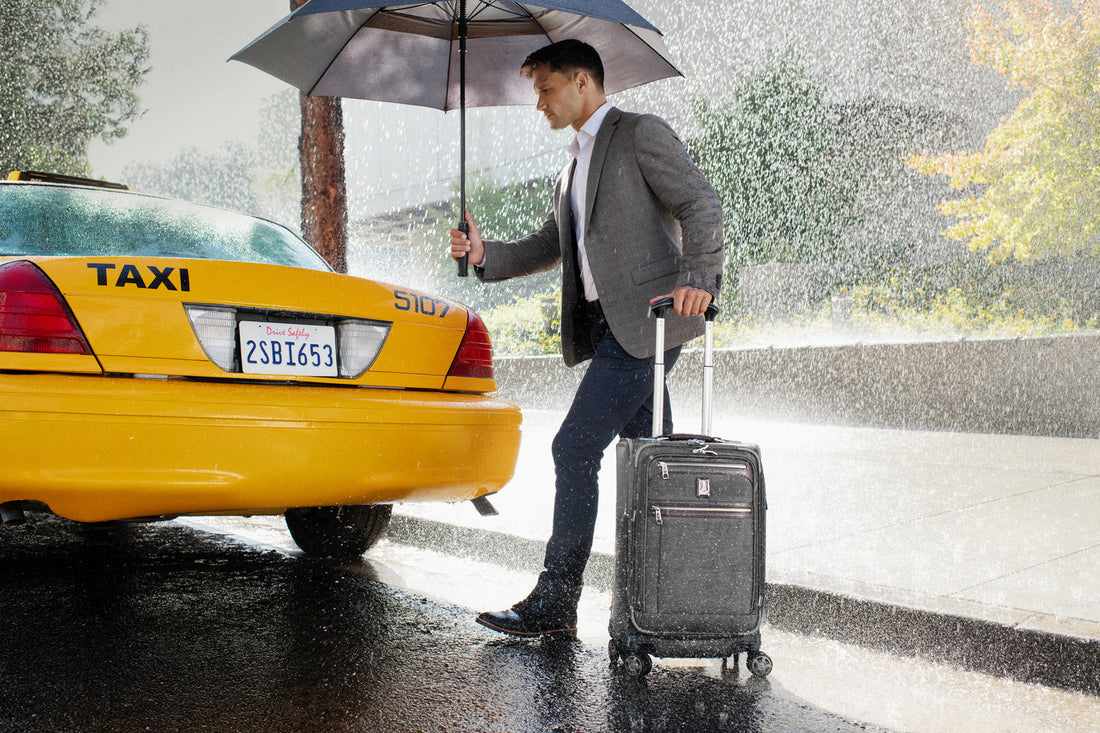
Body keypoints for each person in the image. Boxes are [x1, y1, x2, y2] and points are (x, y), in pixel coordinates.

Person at [449, 39, 723, 639]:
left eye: (545, 89)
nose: (538, 103)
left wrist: (699, 279)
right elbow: (550, 246)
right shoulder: (571, 165)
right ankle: (666, 603)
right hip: (611, 329)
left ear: (582, 81)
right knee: (649, 462)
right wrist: (483, 252)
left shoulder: (639, 134)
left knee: (573, 449)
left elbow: (700, 203)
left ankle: (556, 599)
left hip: (650, 322)